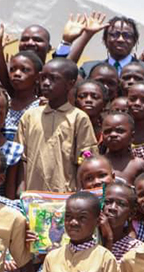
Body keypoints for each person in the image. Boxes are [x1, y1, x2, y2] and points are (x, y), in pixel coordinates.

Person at [16, 60, 98, 193]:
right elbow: (22, 159)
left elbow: (85, 159)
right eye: (43, 78)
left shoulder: (78, 118)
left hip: (65, 196)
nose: (46, 83)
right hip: (32, 196)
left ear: (70, 84)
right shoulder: (30, 116)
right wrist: (21, 191)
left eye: (53, 79)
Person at [74, 16, 144, 80]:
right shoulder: (89, 68)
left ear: (134, 41)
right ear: (105, 39)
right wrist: (87, 34)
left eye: (126, 36)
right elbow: (64, 72)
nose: (120, 39)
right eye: (114, 34)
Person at [100, 111, 144, 184]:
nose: (113, 135)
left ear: (132, 136)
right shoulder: (98, 163)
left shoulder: (138, 164)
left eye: (120, 131)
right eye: (108, 131)